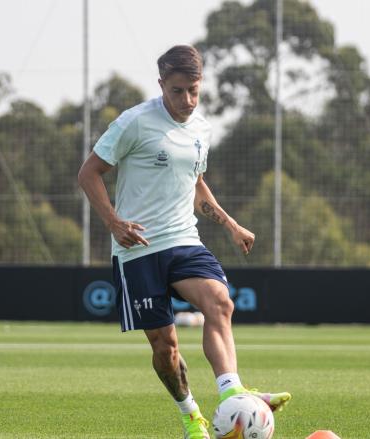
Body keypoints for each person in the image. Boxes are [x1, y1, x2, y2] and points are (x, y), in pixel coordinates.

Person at [78, 44, 290, 439]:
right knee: (166, 348)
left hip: (182, 239)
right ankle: (190, 412)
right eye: (178, 91)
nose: (188, 100)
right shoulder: (134, 122)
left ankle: (233, 393)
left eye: (194, 90)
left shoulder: (202, 130)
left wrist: (230, 224)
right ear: (161, 85)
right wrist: (113, 222)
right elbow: (89, 173)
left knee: (220, 301)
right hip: (137, 249)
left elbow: (196, 183)